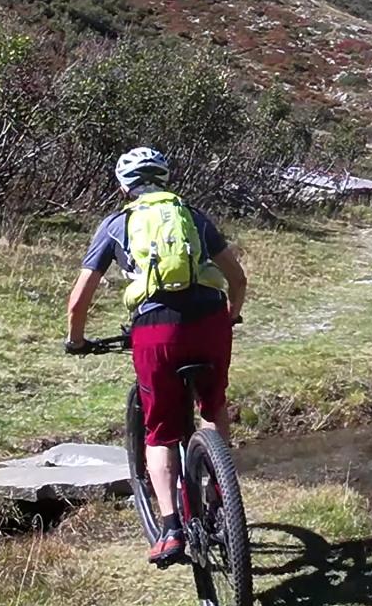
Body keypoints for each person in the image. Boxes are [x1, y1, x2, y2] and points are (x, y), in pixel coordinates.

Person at [65, 147, 248, 566]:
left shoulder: (117, 224)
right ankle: (221, 495)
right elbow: (236, 278)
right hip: (210, 321)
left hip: (157, 327)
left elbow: (79, 301)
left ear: (123, 185)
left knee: (160, 430)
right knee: (213, 404)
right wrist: (231, 317)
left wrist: (76, 340)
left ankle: (170, 529)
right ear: (165, 179)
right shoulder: (193, 217)